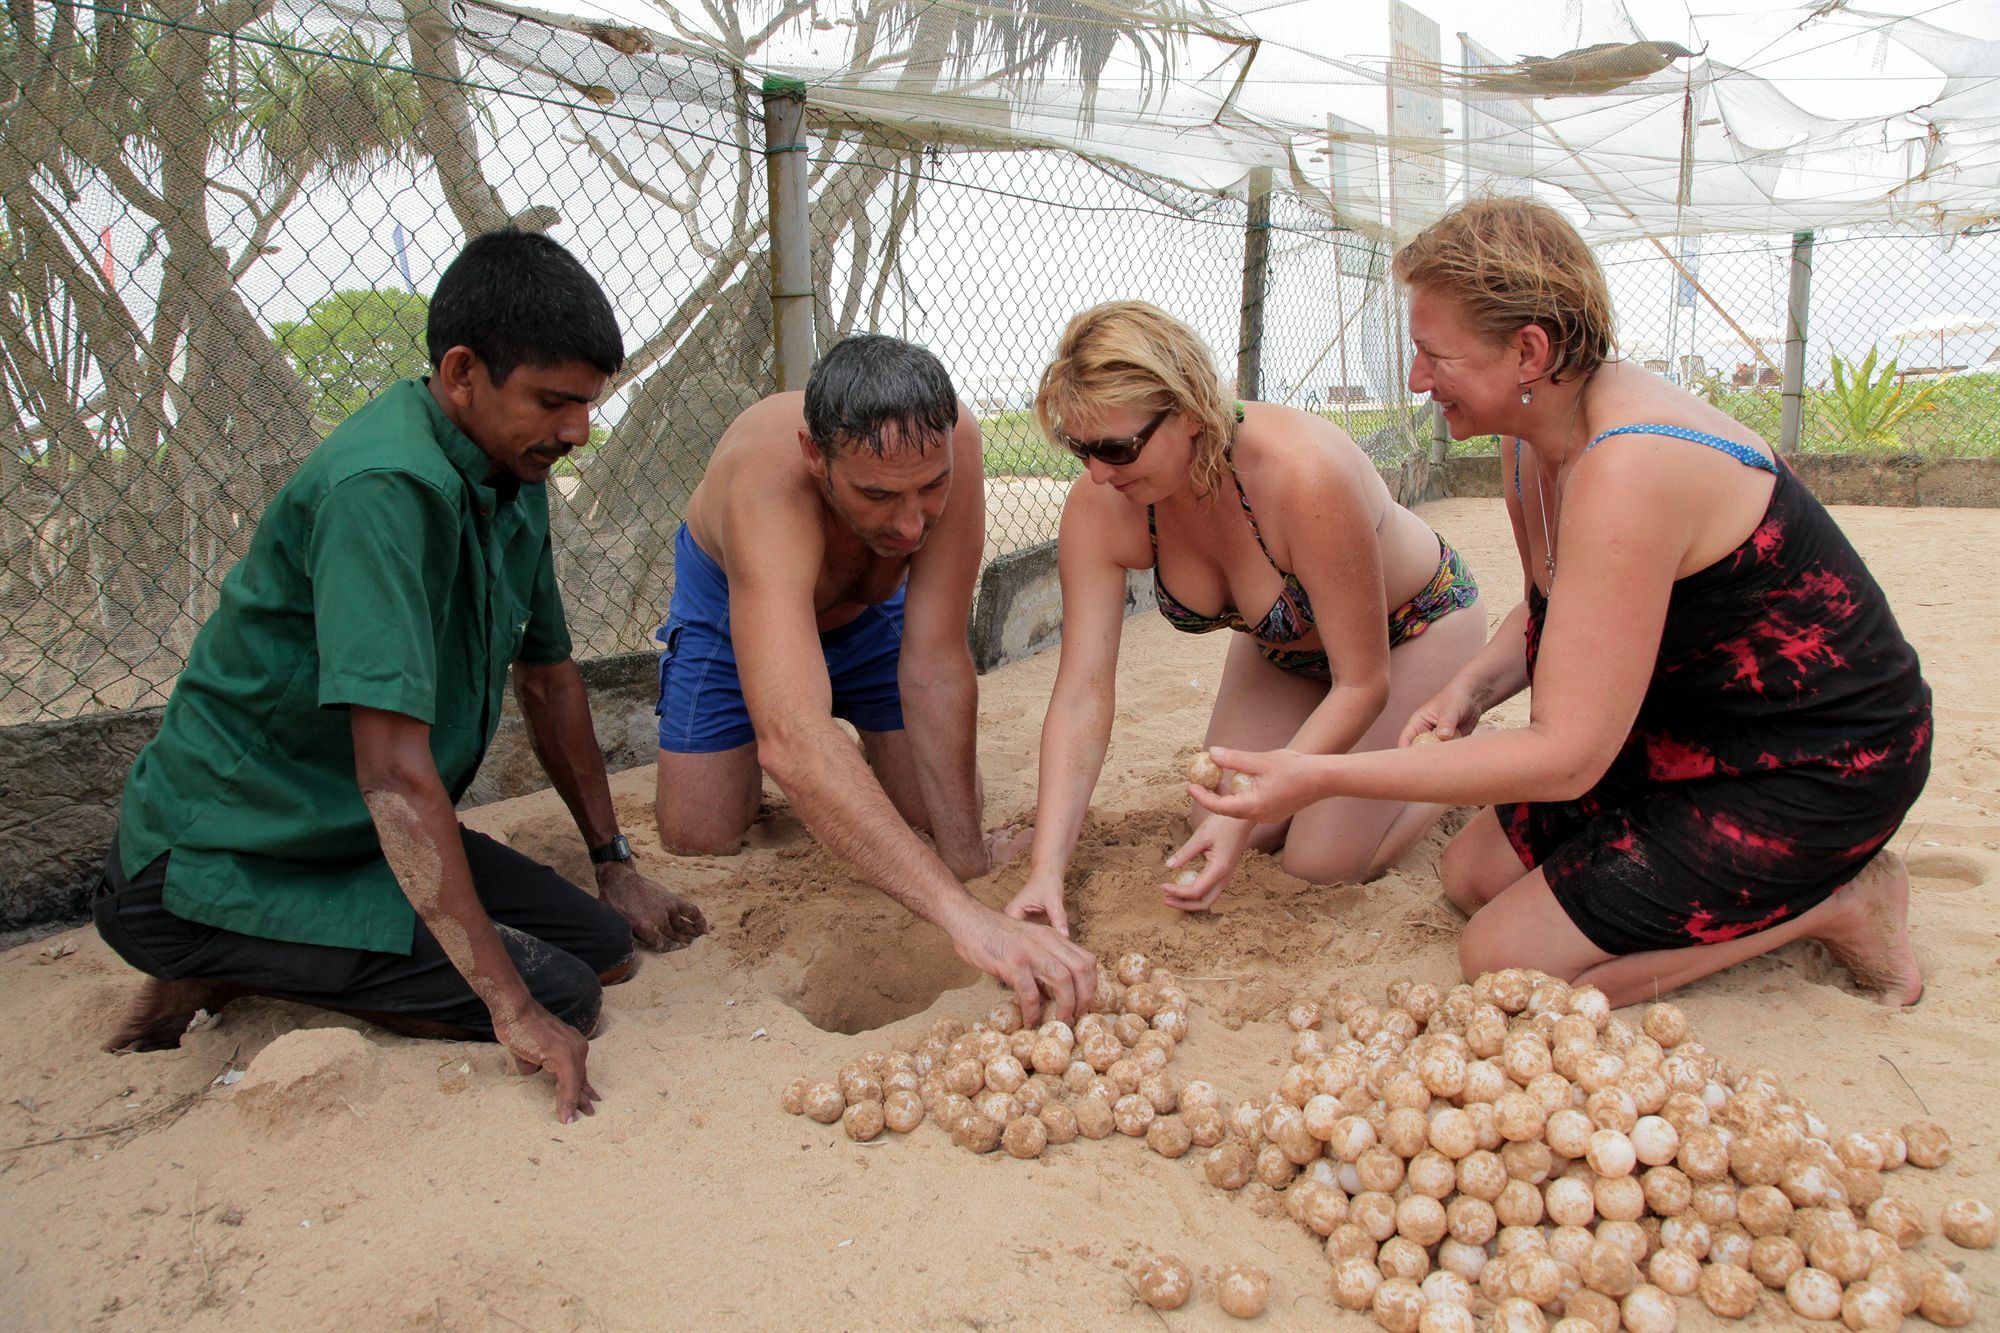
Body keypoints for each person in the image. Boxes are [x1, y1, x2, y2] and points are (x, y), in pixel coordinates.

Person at [1189, 197, 1932, 1007]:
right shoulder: (1531, 434)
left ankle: (1832, 905)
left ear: (1529, 351)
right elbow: (1550, 606)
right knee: (1468, 873)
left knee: (1504, 959)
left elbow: (1569, 753)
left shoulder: (1629, 467)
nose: (1415, 379)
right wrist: (1470, 687)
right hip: (1685, 723)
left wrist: (1322, 774)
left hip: (1817, 759)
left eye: (1434, 354)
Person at [93, 228, 706, 1124]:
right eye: (552, 402)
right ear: (462, 373)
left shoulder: (513, 470)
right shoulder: (381, 488)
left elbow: (550, 677)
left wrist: (614, 864)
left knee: (604, 944)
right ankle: (208, 951)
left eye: (587, 405)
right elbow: (390, 773)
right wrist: (510, 1006)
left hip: (345, 843)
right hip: (222, 857)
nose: (576, 431)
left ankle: (264, 952)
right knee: (559, 997)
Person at [651, 334, 1096, 1023]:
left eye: (932, 487)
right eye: (877, 494)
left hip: (869, 609)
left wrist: (965, 856)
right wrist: (965, 919)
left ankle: (849, 774)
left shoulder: (957, 441)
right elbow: (795, 738)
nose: (913, 521)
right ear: (814, 456)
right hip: (739, 603)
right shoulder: (764, 485)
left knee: (934, 811)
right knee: (698, 829)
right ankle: (816, 750)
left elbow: (938, 658)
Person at [1004, 301, 1486, 934]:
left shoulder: (1302, 474)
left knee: (1323, 859)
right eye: (1078, 448)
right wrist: (1047, 869)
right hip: (1285, 651)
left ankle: (1451, 757)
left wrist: (1245, 816)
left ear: (1188, 411)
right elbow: (1081, 693)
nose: (1096, 472)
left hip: (1411, 632)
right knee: (1219, 820)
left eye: (1117, 449)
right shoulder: (1102, 502)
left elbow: (1362, 684)